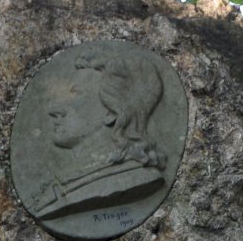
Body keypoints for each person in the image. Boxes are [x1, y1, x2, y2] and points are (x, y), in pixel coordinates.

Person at [34, 45, 167, 220]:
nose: (55, 109)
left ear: (111, 113)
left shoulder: (134, 179)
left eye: (76, 94)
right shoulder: (69, 182)